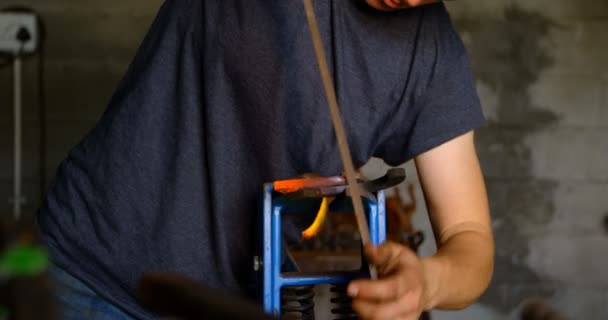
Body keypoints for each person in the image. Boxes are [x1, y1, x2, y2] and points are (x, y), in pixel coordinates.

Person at [36, 0, 494, 319]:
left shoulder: (432, 51)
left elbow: (467, 235)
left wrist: (426, 283)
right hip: (90, 277)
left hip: (233, 309)